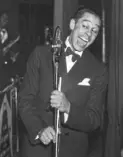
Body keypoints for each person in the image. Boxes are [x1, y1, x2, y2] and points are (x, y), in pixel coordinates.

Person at [18, 8, 108, 157]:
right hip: (37, 150)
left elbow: (95, 119)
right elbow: (24, 100)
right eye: (85, 26)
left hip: (73, 150)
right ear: (72, 24)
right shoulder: (40, 55)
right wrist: (39, 129)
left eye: (94, 30)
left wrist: (68, 108)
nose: (88, 34)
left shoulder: (99, 70)